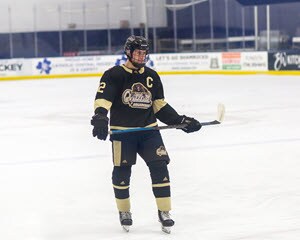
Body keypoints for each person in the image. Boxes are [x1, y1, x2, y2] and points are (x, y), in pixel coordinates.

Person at [91, 35, 201, 233]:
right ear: (128, 52)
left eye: (144, 53)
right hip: (123, 134)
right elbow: (103, 99)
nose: (142, 56)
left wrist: (180, 121)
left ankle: (164, 212)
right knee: (122, 172)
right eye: (138, 52)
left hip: (149, 132)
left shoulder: (152, 76)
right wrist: (100, 117)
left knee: (160, 166)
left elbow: (160, 107)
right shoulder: (114, 75)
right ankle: (124, 212)